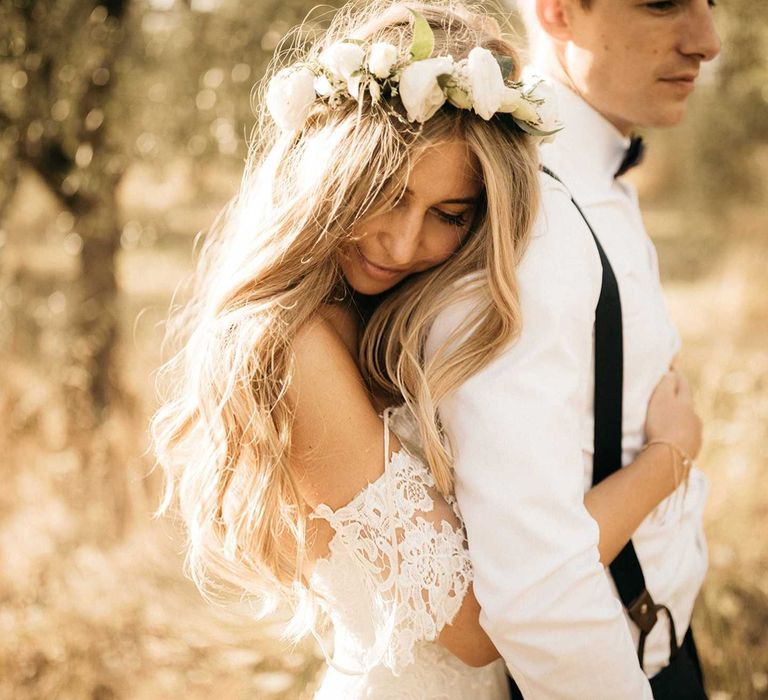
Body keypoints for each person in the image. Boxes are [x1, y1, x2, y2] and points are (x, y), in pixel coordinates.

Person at [151, 1, 704, 697]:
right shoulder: (294, 349)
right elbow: (476, 625)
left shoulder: (391, 309)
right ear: (331, 171)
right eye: (385, 195)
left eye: (450, 216)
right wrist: (668, 459)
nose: (406, 244)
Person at [427, 0, 720, 697]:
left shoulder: (590, 178)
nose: (707, 41)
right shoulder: (533, 218)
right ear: (557, 11)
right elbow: (537, 590)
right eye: (663, 4)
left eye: (714, 4)